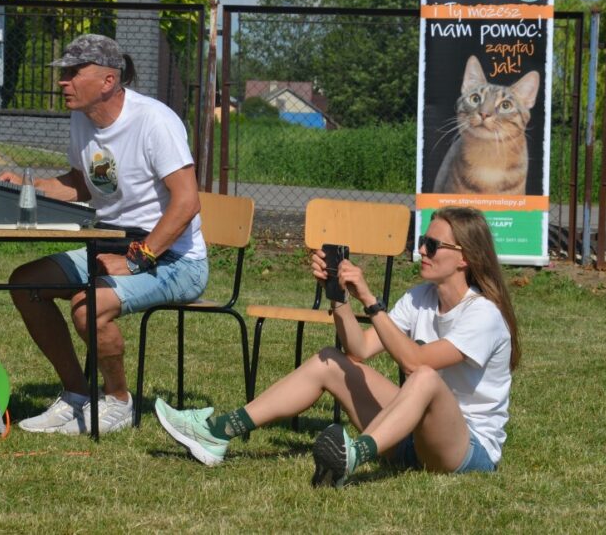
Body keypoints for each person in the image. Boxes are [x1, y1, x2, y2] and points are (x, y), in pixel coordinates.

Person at [155, 206, 519, 487]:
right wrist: (340, 296)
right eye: (423, 239)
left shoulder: (483, 315)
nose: (422, 249)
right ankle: (218, 432)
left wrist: (371, 301)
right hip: (411, 437)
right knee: (331, 361)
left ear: (465, 258)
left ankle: (352, 456)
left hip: (466, 450)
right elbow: (359, 349)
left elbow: (414, 361)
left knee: (423, 377)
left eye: (433, 245)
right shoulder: (420, 297)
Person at [0, 34, 208, 435]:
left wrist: (137, 259)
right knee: (25, 284)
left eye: (73, 73)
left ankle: (118, 402)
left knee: (88, 307)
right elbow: (82, 184)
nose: (63, 82)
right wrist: (26, 188)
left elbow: (187, 202)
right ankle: (77, 395)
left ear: (109, 81)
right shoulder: (82, 119)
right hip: (111, 246)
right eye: (63, 74)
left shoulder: (155, 121)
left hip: (177, 259)